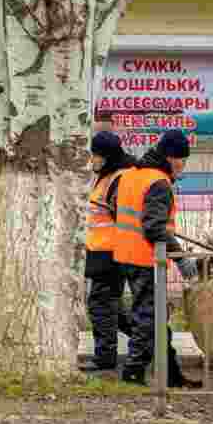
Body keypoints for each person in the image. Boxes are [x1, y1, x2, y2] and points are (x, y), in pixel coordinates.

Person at [111, 129, 201, 386]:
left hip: (126, 255)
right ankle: (133, 373)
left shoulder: (132, 174)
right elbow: (154, 227)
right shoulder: (158, 182)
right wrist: (181, 258)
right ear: (173, 158)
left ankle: (171, 375)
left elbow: (120, 209)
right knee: (148, 318)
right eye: (182, 160)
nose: (183, 166)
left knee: (156, 317)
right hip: (144, 259)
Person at [79, 131, 137, 373]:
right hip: (102, 250)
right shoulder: (108, 176)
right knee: (113, 306)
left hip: (112, 251)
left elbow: (123, 216)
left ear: (107, 156)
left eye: (96, 155)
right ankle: (151, 340)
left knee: (100, 303)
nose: (92, 160)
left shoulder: (119, 178)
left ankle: (105, 358)